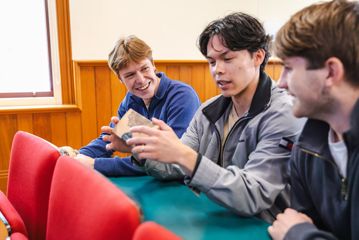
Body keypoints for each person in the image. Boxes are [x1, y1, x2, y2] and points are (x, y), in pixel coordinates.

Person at [104, 13, 304, 220]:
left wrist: (184, 155)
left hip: (265, 227)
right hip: (216, 218)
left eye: (227, 58)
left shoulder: (283, 114)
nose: (218, 70)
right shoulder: (209, 111)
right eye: (211, 61)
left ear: (258, 57)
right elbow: (172, 168)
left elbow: (253, 195)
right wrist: (138, 149)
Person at [268, 1, 359, 239]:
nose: (281, 83)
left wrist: (299, 234)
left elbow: (299, 228)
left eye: (288, 68)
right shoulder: (305, 150)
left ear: (330, 72)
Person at [76, 35, 200, 176]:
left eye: (144, 69)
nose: (140, 80)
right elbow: (110, 138)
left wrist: (96, 164)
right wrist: (78, 156)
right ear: (120, 79)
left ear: (153, 65)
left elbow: (169, 161)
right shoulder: (131, 100)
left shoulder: (182, 97)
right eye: (130, 75)